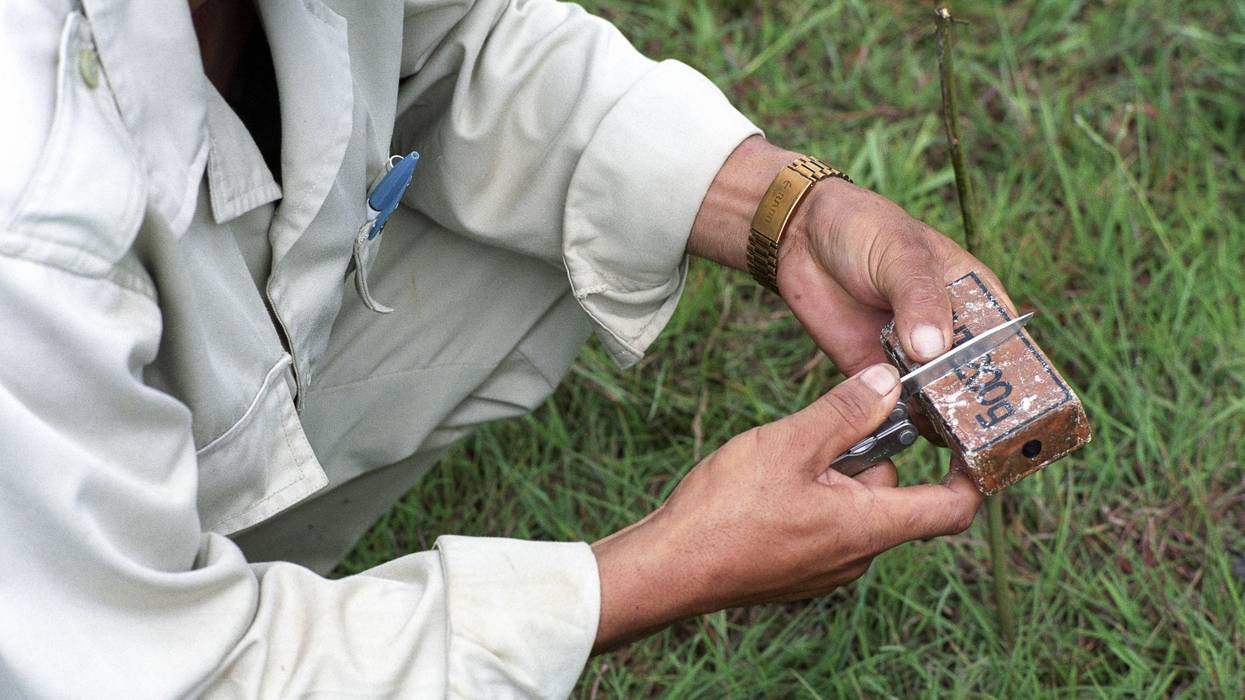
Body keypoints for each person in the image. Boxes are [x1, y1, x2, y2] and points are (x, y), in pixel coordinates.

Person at [0, 0, 1011, 696]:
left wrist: (786, 211)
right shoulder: (28, 203)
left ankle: (194, 561)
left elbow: (457, 38)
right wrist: (663, 568)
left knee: (571, 220)